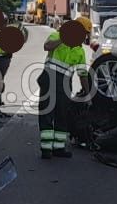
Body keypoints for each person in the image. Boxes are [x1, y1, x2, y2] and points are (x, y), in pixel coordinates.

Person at [38, 16, 91, 158]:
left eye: (85, 34)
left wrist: (87, 92)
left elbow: (82, 74)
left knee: (62, 114)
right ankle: (46, 149)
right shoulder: (57, 35)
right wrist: (64, 38)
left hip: (65, 83)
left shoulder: (80, 51)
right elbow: (47, 46)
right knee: (47, 113)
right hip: (49, 78)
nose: (84, 36)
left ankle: (59, 148)